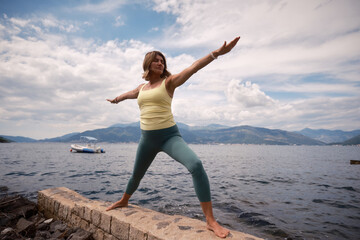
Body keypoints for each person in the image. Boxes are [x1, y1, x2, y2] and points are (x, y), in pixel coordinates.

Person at [106, 36, 240, 238]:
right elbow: (128, 94)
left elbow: (193, 67)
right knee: (136, 174)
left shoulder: (169, 82)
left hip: (169, 137)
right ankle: (124, 200)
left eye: (163, 61)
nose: (160, 63)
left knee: (195, 165)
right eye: (156, 60)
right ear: (148, 64)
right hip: (147, 139)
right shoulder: (141, 88)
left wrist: (216, 54)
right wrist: (116, 99)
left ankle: (210, 221)